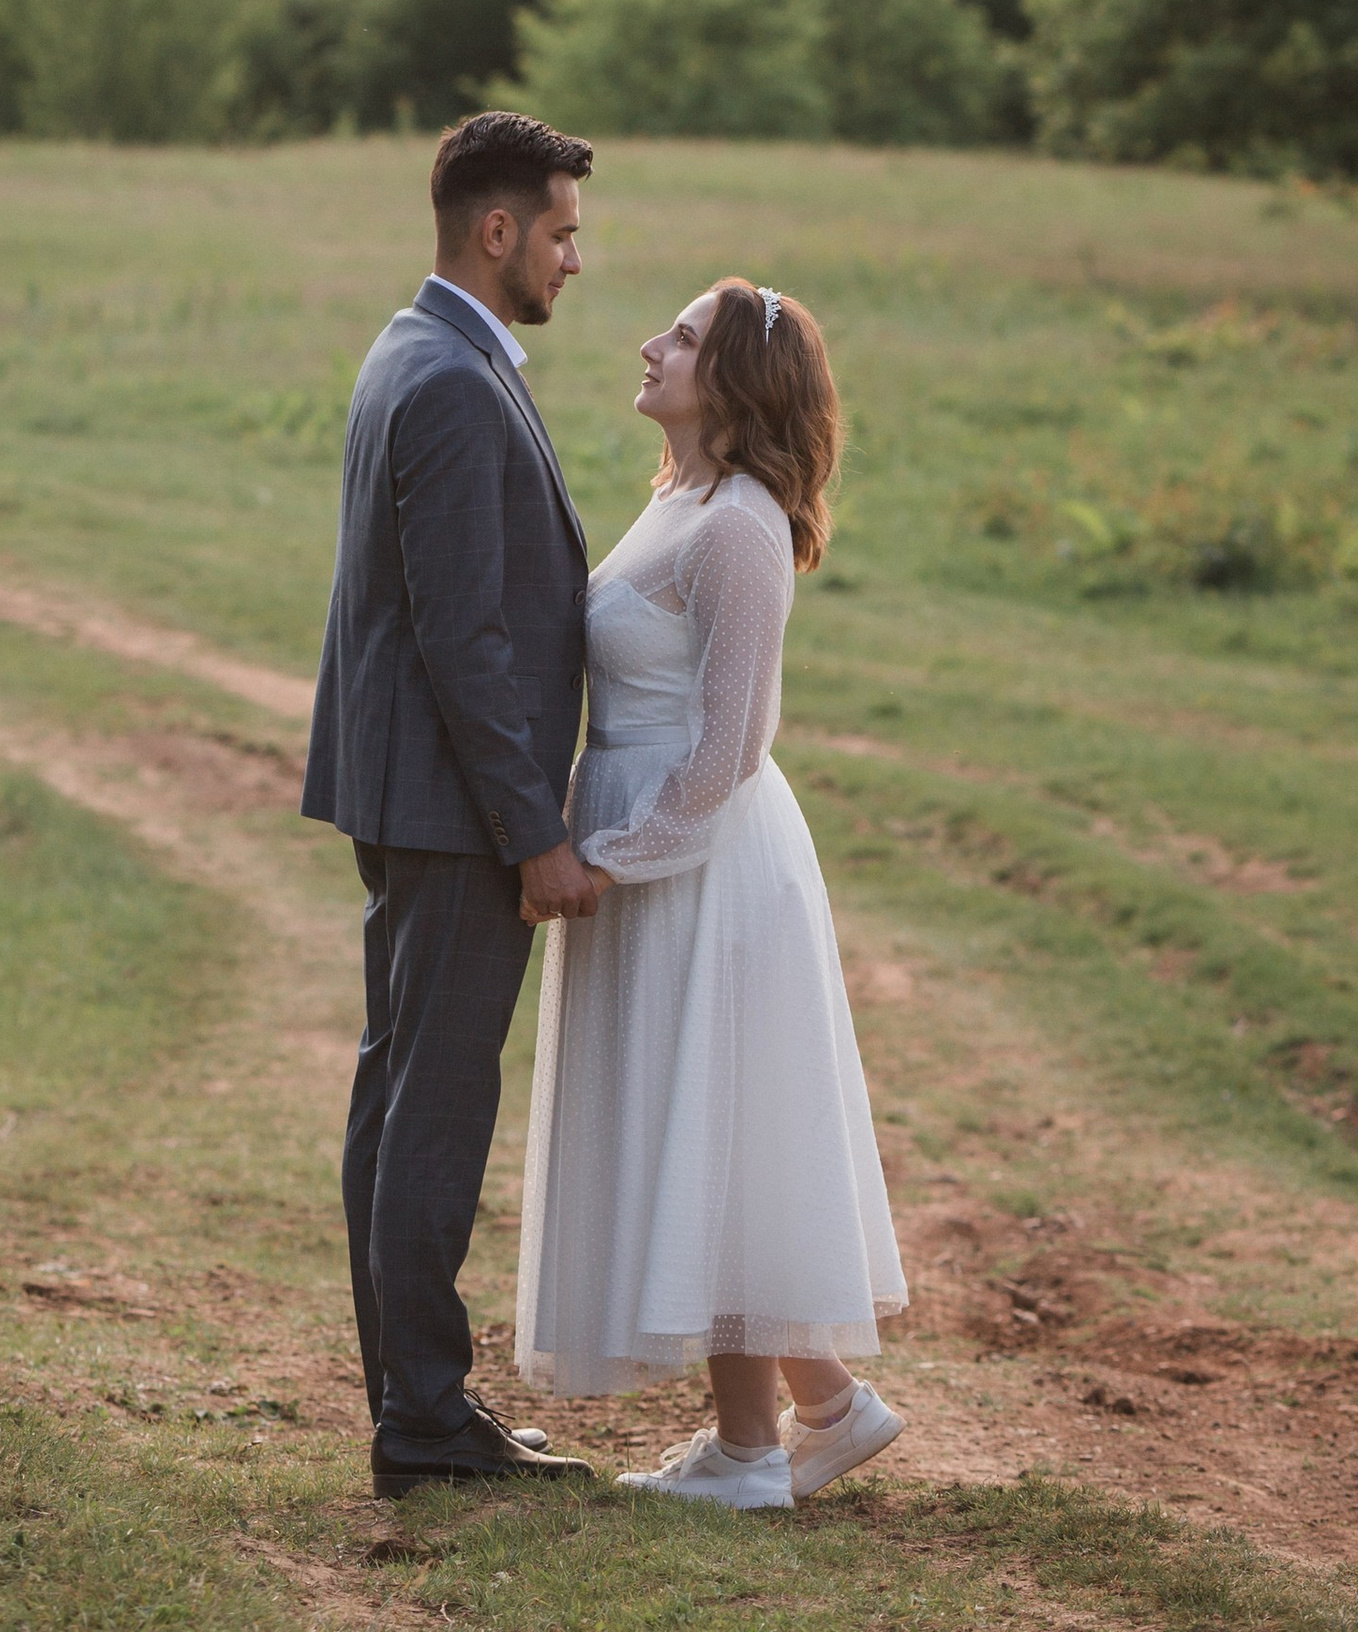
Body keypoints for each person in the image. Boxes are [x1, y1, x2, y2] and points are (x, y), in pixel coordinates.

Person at [512, 277, 907, 1510]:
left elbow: (731, 744)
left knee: (716, 1135)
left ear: (732, 382)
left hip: (706, 866)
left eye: (679, 338)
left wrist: (606, 856)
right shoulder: (675, 502)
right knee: (704, 1127)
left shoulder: (738, 525)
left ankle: (746, 1457)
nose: (649, 344)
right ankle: (828, 1406)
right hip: (654, 854)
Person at [301, 109, 608, 1500]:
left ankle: (413, 1397)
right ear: (498, 231)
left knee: (398, 1093)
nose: (571, 260)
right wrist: (532, 833)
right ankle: (422, 1417)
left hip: (417, 800)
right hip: (451, 812)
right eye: (560, 232)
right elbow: (461, 640)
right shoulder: (446, 380)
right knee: (430, 1108)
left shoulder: (424, 351)